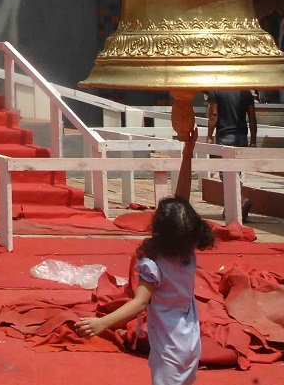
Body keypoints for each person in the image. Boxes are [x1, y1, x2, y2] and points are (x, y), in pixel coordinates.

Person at [75, 134, 213, 384]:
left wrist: (102, 323)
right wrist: (187, 154)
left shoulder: (153, 265)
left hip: (168, 348)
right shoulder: (187, 252)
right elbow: (183, 201)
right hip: (191, 341)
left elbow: (139, 304)